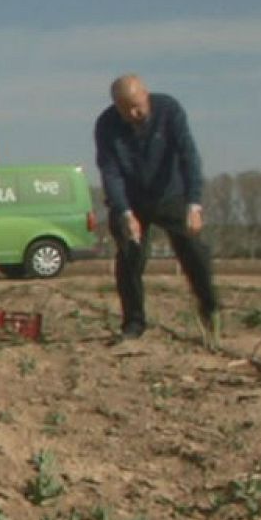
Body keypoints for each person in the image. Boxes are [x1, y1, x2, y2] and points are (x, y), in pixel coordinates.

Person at [94, 74, 218, 340]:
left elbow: (188, 155)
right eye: (125, 109)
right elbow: (110, 172)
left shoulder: (168, 110)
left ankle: (210, 308)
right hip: (131, 199)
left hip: (169, 194)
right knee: (130, 257)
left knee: (193, 251)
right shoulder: (106, 125)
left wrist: (194, 204)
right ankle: (133, 323)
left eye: (137, 106)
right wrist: (124, 212)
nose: (133, 114)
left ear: (146, 95)